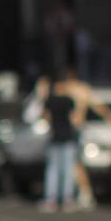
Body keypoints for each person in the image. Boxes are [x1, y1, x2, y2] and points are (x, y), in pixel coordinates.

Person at [41, 68, 85, 212]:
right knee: (67, 169)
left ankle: (50, 199)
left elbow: (45, 117)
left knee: (52, 169)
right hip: (67, 137)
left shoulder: (50, 99)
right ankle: (67, 200)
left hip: (54, 137)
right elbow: (75, 119)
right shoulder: (68, 100)